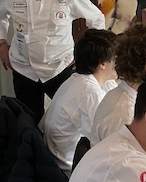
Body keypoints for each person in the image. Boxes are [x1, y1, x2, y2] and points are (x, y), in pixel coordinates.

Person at [0, 0, 105, 122]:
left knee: (69, 119)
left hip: (60, 67)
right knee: (27, 122)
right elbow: (1, 16)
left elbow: (96, 18)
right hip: (23, 68)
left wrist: (86, 55)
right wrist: (1, 42)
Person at [39, 28, 117, 174]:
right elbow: (105, 139)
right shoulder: (89, 93)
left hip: (60, 158)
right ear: (102, 64)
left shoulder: (79, 79)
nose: (118, 63)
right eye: (115, 58)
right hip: (66, 170)